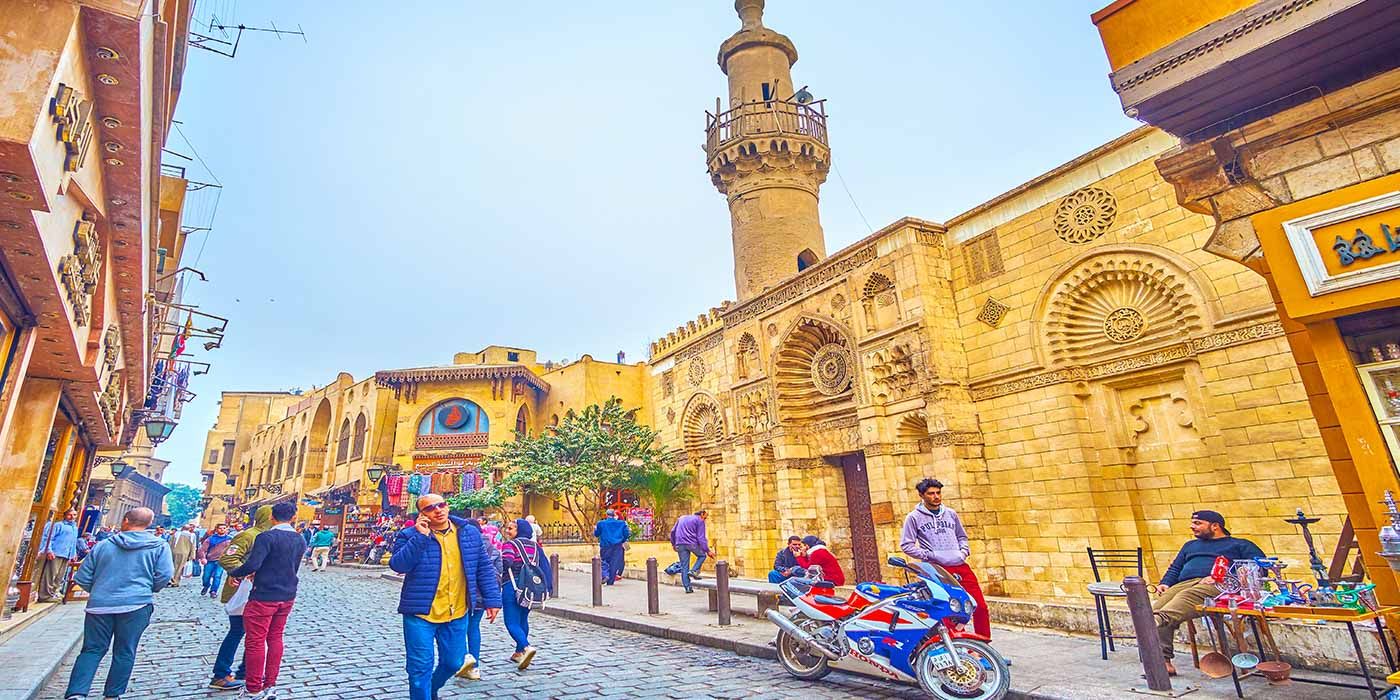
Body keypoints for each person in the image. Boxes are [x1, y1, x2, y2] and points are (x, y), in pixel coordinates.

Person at [390, 494, 502, 700]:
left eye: (441, 505)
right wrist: (420, 537)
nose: (438, 510)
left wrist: (492, 599)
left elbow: (483, 567)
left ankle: (431, 689)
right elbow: (398, 565)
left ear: (448, 506)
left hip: (457, 612)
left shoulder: (468, 533)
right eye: (430, 508)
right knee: (419, 669)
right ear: (422, 514)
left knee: (454, 662)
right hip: (420, 614)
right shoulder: (408, 535)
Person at [62, 507, 173, 700]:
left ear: (126, 520)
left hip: (100, 605)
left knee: (91, 649)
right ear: (148, 524)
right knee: (125, 651)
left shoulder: (103, 545)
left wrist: (100, 591)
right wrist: (147, 589)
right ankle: (112, 695)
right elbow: (164, 575)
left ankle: (77, 693)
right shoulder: (159, 546)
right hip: (137, 605)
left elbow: (83, 576)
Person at [1152, 510, 1267, 675]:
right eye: (1192, 523)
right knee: (1161, 604)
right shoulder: (1190, 546)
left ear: (1215, 526)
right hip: (1185, 583)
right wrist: (1165, 583)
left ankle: (1155, 621)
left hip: (1219, 585)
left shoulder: (1240, 544)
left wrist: (1226, 576)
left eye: (1198, 523)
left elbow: (1259, 568)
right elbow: (1176, 567)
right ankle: (1163, 661)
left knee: (1180, 601)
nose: (1192, 527)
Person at [227, 501, 306, 700]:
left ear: (272, 517)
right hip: (287, 595)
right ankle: (270, 685)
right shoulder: (300, 539)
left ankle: (253, 688)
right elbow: (293, 567)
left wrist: (236, 573)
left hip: (264, 595)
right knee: (276, 638)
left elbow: (254, 563)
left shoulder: (266, 537)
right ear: (293, 517)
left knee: (255, 642)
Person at [900, 478, 989, 636]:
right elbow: (906, 545)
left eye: (938, 493)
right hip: (936, 569)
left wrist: (963, 552)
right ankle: (957, 648)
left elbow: (962, 536)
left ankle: (984, 647)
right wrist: (930, 555)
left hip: (959, 565)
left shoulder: (951, 514)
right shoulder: (913, 517)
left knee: (979, 606)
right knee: (949, 609)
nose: (936, 496)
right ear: (921, 495)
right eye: (931, 493)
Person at [209, 505, 274, 692]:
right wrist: (244, 572)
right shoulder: (249, 535)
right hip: (242, 593)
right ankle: (221, 674)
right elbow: (227, 559)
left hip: (256, 592)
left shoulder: (267, 536)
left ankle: (244, 672)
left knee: (255, 634)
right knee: (238, 631)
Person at [499, 518, 552, 669]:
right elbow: (544, 566)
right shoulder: (535, 546)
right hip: (530, 588)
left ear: (519, 531)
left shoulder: (510, 544)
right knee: (523, 619)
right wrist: (548, 587)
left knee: (511, 622)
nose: (507, 531)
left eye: (511, 529)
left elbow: (507, 563)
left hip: (513, 585)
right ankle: (518, 652)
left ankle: (526, 646)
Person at [459, 516, 504, 681]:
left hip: (465, 594)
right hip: (482, 595)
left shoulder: (464, 547)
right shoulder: (493, 548)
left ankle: (464, 660)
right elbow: (499, 572)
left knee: (460, 628)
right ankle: (475, 666)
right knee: (473, 628)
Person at [37, 509, 80, 602]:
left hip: (67, 554)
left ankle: (54, 592)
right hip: (57, 553)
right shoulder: (58, 525)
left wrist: (74, 553)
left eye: (74, 515)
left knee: (60, 575)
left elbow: (73, 542)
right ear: (65, 515)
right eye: (70, 515)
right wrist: (49, 550)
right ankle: (45, 595)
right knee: (51, 574)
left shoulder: (75, 528)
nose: (72, 517)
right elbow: (49, 538)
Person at [669, 510, 715, 594]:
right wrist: (707, 550)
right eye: (705, 517)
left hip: (679, 543)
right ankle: (694, 571)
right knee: (702, 556)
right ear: (702, 514)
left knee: (684, 566)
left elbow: (672, 532)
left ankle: (688, 587)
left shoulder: (681, 518)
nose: (705, 519)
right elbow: (701, 538)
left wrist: (673, 543)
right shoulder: (699, 520)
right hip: (691, 543)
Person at [593, 509, 630, 585]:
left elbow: (596, 534)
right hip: (617, 546)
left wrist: (595, 529)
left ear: (607, 515)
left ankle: (605, 575)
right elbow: (626, 533)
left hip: (605, 545)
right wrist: (622, 540)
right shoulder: (622, 523)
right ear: (614, 515)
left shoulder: (601, 523)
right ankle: (611, 581)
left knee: (604, 561)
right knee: (614, 563)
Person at [198, 523, 234, 598]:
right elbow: (202, 549)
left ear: (226, 529)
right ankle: (206, 585)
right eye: (220, 528)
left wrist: (229, 557)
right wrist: (203, 558)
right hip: (210, 560)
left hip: (221, 561)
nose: (222, 529)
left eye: (224, 528)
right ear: (217, 529)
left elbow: (232, 549)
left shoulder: (230, 539)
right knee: (206, 576)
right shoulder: (211, 539)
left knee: (217, 576)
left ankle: (213, 591)